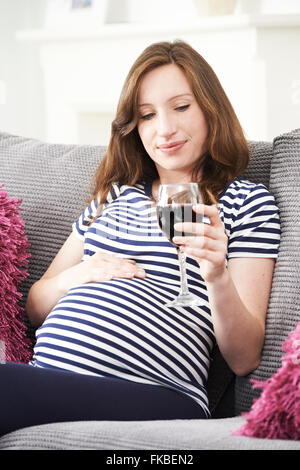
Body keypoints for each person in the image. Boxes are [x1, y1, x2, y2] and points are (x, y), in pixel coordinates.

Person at [0, 40, 280, 436]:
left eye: (181, 107)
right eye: (147, 115)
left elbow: (245, 357)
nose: (164, 129)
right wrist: (79, 276)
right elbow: (35, 305)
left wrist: (216, 274)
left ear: (210, 109)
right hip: (50, 379)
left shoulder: (245, 203)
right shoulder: (116, 196)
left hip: (159, 395)